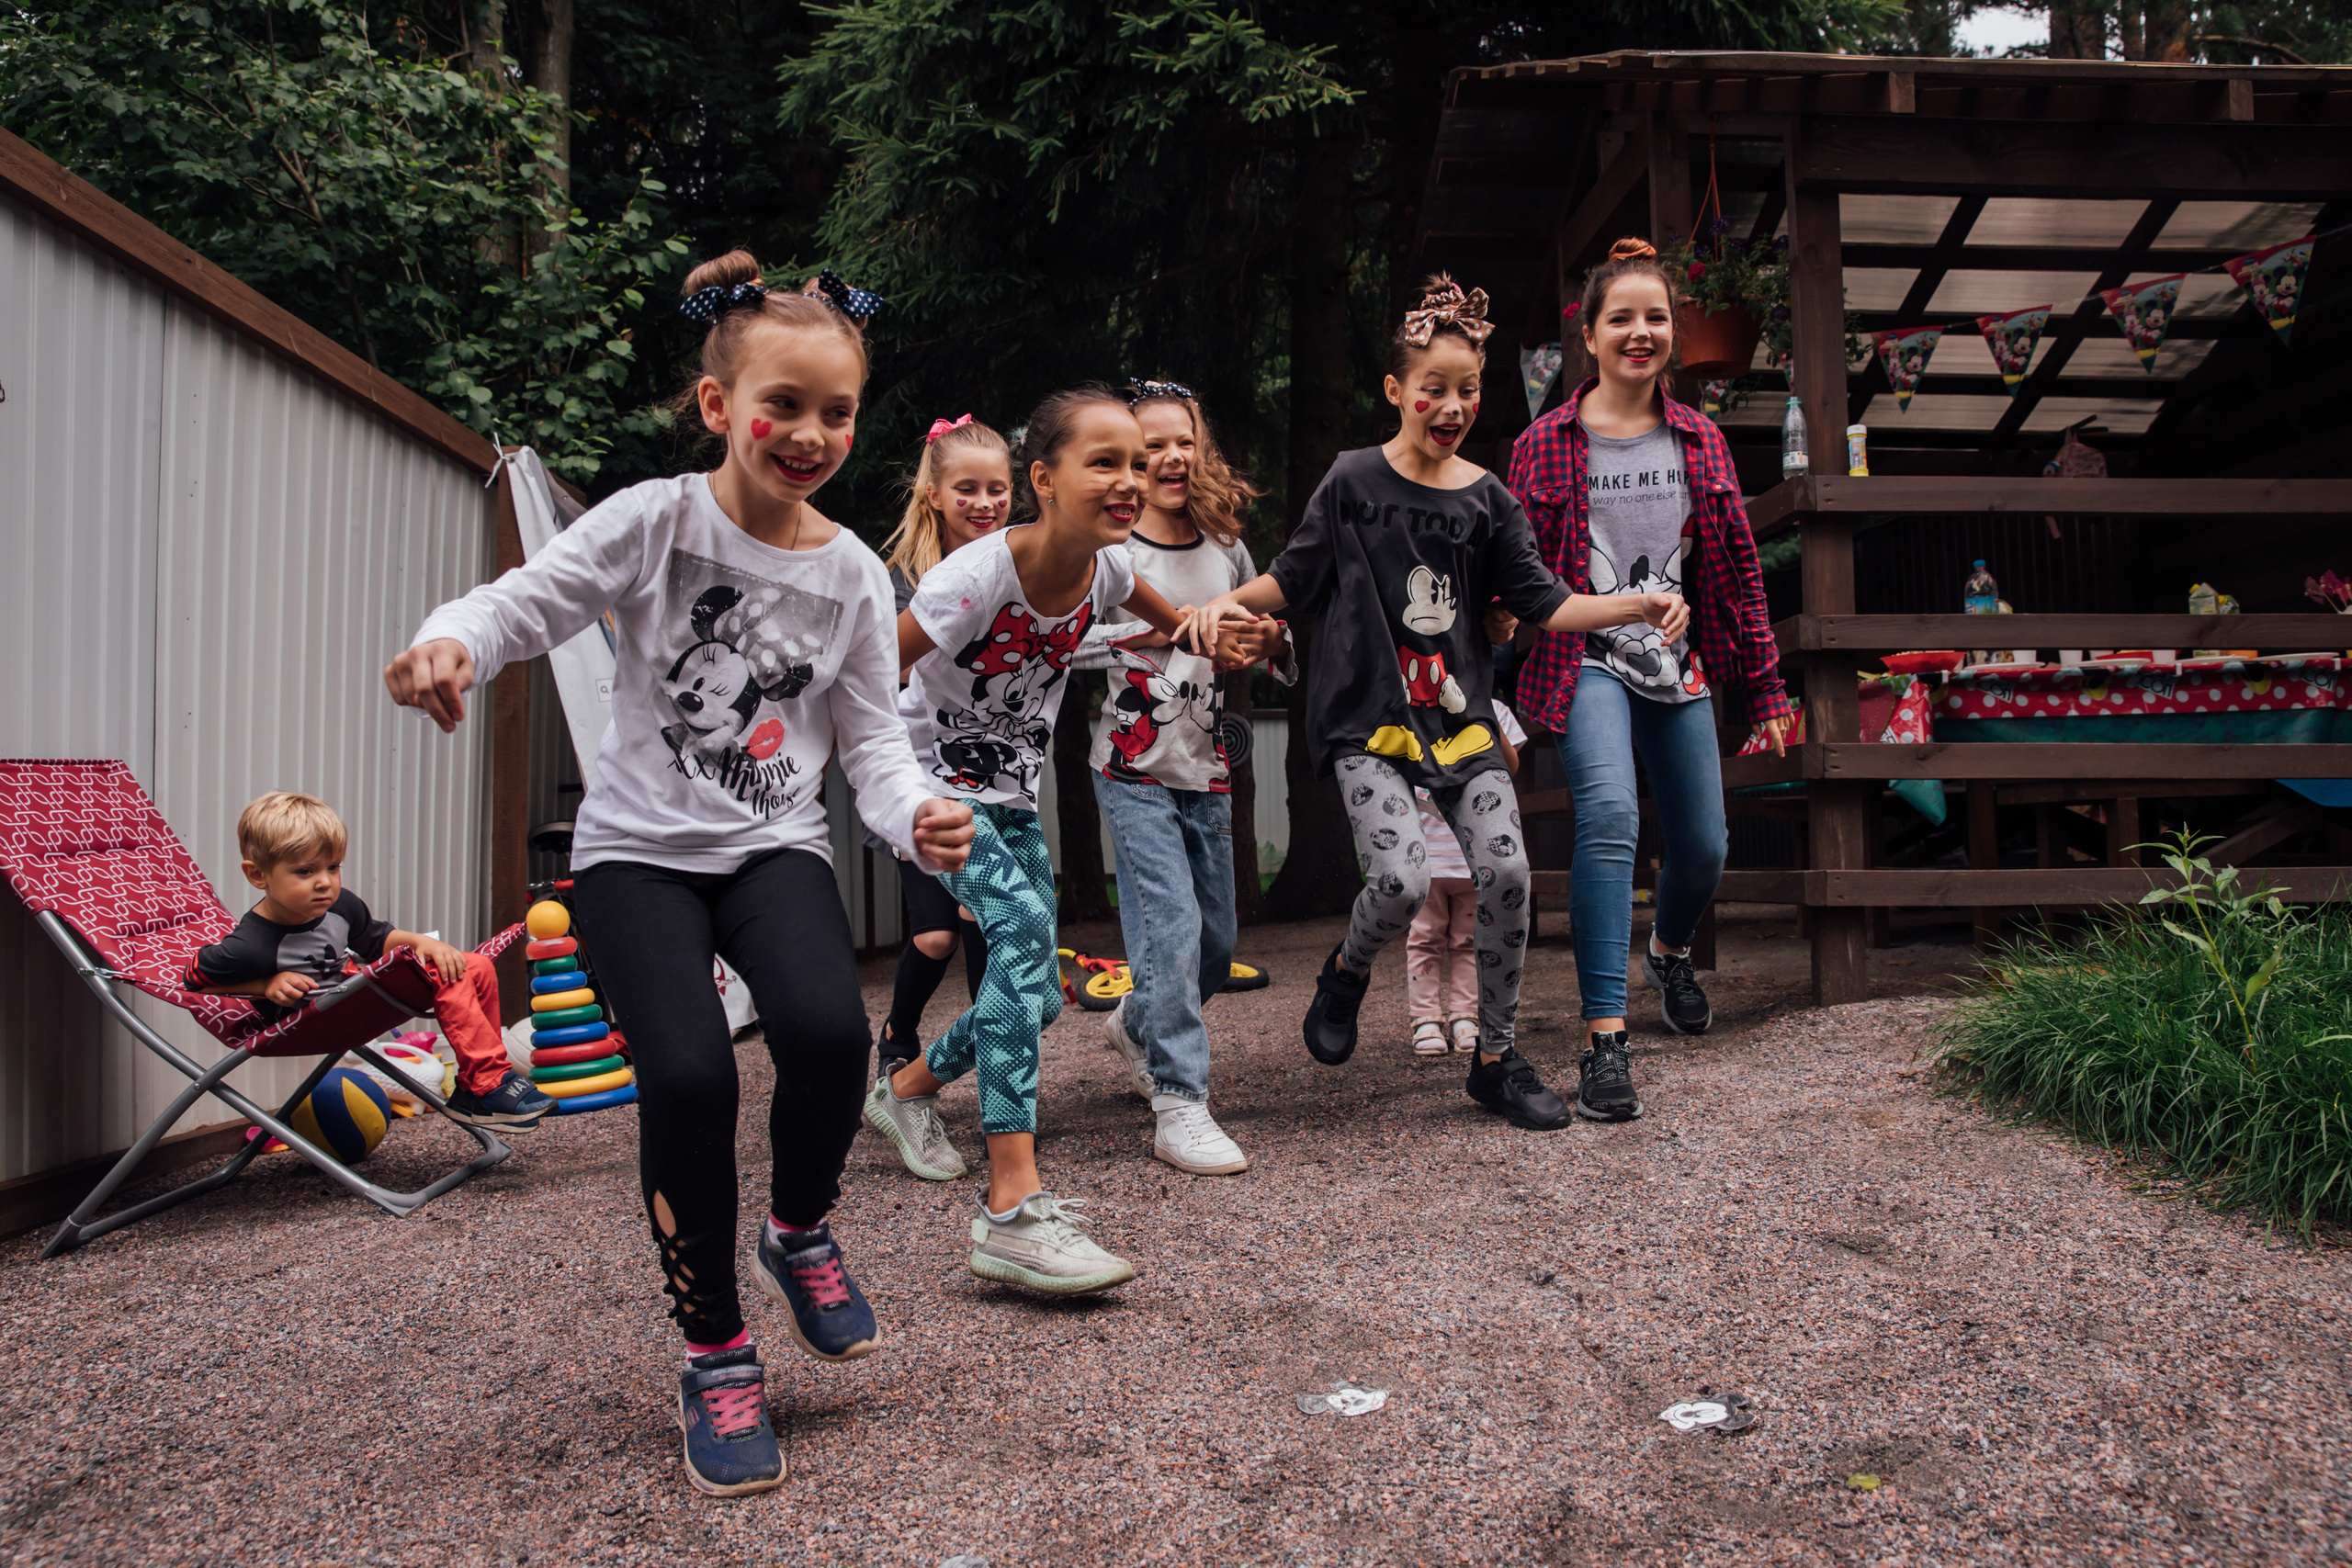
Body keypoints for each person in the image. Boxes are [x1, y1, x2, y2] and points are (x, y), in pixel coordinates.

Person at [384, 250, 977, 1499]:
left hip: (772, 850)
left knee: (825, 1034)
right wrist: (453, 639)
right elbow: (531, 598)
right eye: (785, 404)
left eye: (837, 411)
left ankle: (799, 1225)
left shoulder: (856, 575)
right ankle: (716, 1352)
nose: (810, 432)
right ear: (720, 406)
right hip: (635, 857)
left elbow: (870, 735)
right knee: (694, 1076)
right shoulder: (658, 519)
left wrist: (914, 807)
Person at [1185, 275, 1687, 1133]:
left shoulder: (1490, 498)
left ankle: (1494, 1059)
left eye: (1468, 389)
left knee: (1508, 872)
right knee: (1402, 877)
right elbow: (1294, 577)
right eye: (1435, 388)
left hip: (1460, 719)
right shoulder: (1350, 482)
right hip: (1365, 721)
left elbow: (1548, 602)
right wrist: (1222, 606)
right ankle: (1347, 970)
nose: (1452, 405)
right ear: (1396, 391)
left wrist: (1639, 602)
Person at [865, 385, 1193, 1294]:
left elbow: (1179, 631)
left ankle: (903, 1092)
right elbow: (866, 679)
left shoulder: (1114, 572)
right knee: (1013, 941)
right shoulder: (972, 578)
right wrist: (894, 800)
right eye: (1105, 463)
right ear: (1042, 479)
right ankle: (1012, 1208)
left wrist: (1222, 633)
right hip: (932, 794)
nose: (1129, 481)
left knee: (1040, 999)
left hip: (1008, 796)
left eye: (1136, 464)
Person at [1505, 237, 1792, 1124]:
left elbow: (1739, 571)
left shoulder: (1701, 439)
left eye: (1655, 317)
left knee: (1704, 845)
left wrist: (1770, 687)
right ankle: (1604, 1041)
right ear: (1588, 336)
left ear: (1672, 332)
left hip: (1679, 665)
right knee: (1612, 817)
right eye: (1620, 318)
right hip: (1581, 658)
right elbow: (1519, 578)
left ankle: (1668, 950)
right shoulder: (1542, 445)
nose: (1640, 333)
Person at [1071, 378, 1293, 1176]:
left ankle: (1136, 1022)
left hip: (1207, 765)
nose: (1168, 458)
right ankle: (1179, 1102)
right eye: (1149, 446)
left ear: (1200, 452)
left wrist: (1262, 639)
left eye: (1181, 442)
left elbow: (1264, 637)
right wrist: (1170, 633)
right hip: (1130, 768)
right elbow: (1070, 647)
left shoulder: (1225, 546)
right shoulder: (1110, 552)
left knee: (1215, 944)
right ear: (1128, 462)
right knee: (1168, 930)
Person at [183, 790, 557, 1128]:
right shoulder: (250, 942)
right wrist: (265, 985)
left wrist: (417, 942)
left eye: (333, 867)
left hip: (353, 1000)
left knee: (470, 965)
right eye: (305, 871)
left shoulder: (340, 905)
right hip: (308, 1021)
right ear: (258, 875)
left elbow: (377, 939)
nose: (324, 882)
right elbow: (193, 980)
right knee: (454, 972)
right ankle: (487, 1083)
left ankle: (480, 1084)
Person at [866, 414, 1012, 1076]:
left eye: (997, 489)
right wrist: (902, 804)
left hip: (991, 769)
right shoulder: (901, 578)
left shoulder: (1016, 561)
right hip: (919, 772)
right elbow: (881, 688)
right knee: (934, 934)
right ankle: (897, 1037)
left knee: (980, 916)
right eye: (968, 490)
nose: (984, 503)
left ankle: (994, 1072)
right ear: (935, 494)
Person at [1405, 702, 1526, 1056]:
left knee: (1470, 941)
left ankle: (1465, 1017)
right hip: (1426, 856)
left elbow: (1511, 766)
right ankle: (1425, 1018)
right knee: (1424, 939)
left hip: (1475, 858)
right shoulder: (1407, 704)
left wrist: (1481, 715)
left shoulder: (1496, 709)